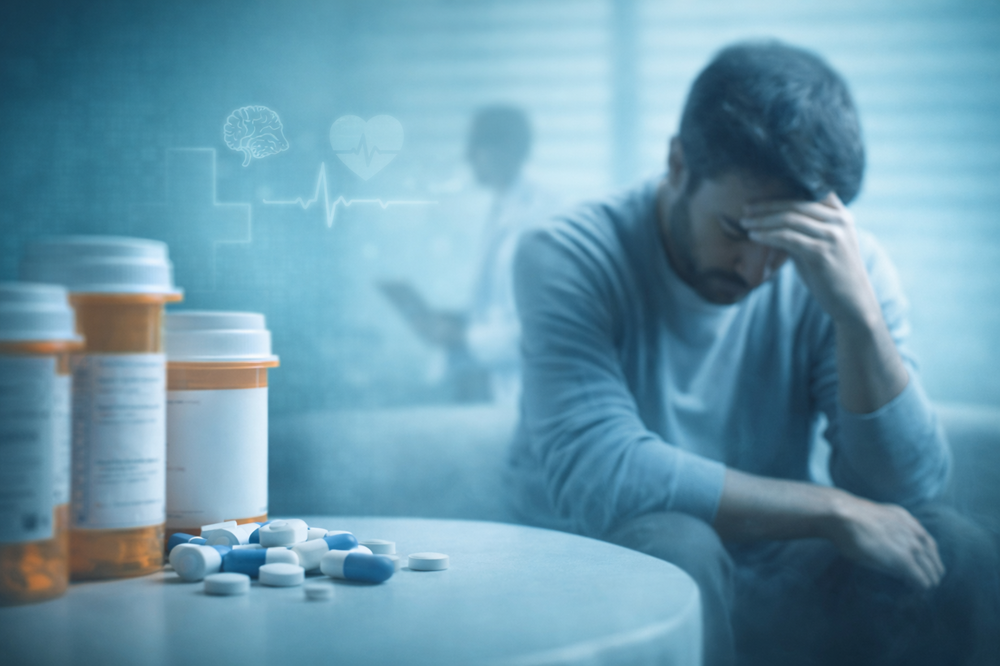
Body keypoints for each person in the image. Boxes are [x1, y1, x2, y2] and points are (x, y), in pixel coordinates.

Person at [506, 41, 999, 666]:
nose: (758, 269)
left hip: (773, 565)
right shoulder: (567, 253)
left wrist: (859, 319)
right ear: (678, 164)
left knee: (954, 549)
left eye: (784, 244)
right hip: (601, 558)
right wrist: (830, 508)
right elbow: (599, 473)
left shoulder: (845, 269)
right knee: (678, 547)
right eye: (737, 232)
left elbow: (912, 489)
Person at [381, 104, 558, 404]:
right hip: (489, 379)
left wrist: (463, 338)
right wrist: (463, 321)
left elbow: (544, 326)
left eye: (477, 146)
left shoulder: (541, 217)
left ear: (509, 149)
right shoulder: (501, 209)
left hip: (521, 387)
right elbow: (503, 303)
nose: (467, 157)